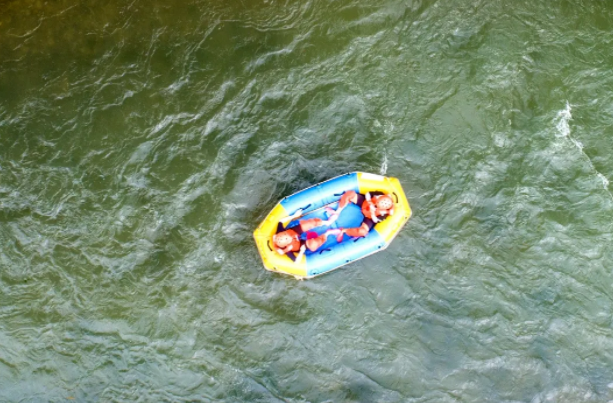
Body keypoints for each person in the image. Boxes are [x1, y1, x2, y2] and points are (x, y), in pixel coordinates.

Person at [272, 214, 341, 262]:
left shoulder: (280, 232)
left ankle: (327, 222)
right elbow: (296, 261)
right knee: (313, 244)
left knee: (309, 223)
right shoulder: (287, 250)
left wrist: (294, 216)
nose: (292, 237)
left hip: (294, 231)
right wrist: (301, 251)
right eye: (289, 238)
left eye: (287, 235)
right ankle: (327, 233)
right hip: (299, 245)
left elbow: (280, 221)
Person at [327, 190, 395, 238]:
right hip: (364, 203)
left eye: (377, 206)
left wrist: (372, 213)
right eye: (376, 202)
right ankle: (337, 212)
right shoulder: (379, 194)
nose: (375, 205)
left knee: (363, 232)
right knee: (350, 193)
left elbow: (375, 220)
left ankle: (343, 231)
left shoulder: (384, 213)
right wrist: (369, 201)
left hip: (369, 217)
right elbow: (368, 194)